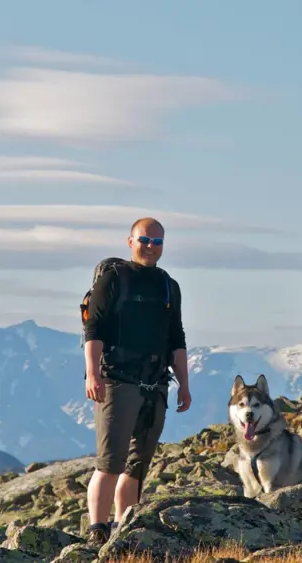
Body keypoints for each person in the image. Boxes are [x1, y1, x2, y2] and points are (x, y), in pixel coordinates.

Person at [81, 216, 192, 545]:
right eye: (144, 240)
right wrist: (93, 373)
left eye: (157, 242)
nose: (151, 247)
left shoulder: (168, 285)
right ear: (130, 241)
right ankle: (97, 531)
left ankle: (123, 528)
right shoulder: (114, 279)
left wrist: (184, 384)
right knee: (110, 461)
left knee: (136, 466)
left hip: (155, 383)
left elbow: (176, 337)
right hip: (118, 381)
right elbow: (94, 329)